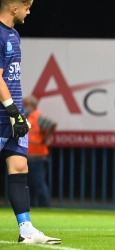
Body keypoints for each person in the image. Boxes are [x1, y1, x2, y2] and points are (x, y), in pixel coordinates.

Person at [0, 0, 61, 244]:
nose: (29, 11)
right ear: (15, 8)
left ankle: (26, 231)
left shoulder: (15, 34)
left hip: (12, 117)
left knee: (20, 169)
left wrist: (16, 114)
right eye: (27, 6)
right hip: (5, 114)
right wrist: (13, 110)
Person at [23, 95, 57, 208]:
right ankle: (30, 206)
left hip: (37, 157)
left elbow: (53, 124)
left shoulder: (37, 117)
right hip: (25, 157)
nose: (23, 106)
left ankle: (44, 206)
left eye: (25, 104)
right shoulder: (24, 117)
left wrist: (45, 138)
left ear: (32, 105)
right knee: (28, 185)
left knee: (38, 183)